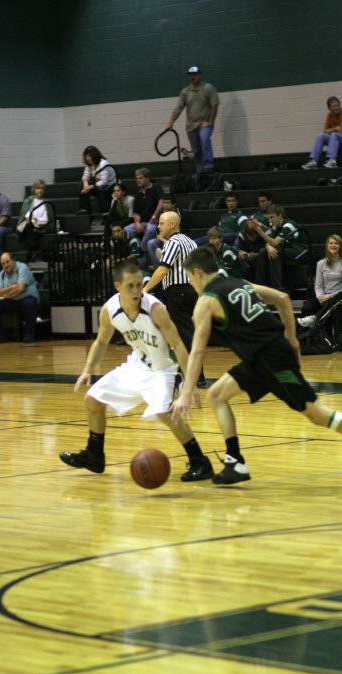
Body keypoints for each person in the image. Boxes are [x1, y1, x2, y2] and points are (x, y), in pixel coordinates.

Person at [170, 246, 342, 488]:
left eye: (189, 278)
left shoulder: (206, 301)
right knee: (217, 394)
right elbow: (282, 299)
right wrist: (292, 340)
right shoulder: (239, 282)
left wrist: (186, 393)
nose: (191, 284)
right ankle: (234, 461)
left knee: (317, 414)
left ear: (197, 273)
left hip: (270, 359)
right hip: (262, 357)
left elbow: (197, 350)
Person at [59, 260, 214, 482]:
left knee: (165, 412)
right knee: (92, 399)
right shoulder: (109, 309)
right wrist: (87, 369)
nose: (136, 291)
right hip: (136, 366)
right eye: (130, 286)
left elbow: (178, 345)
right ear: (117, 286)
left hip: (162, 370)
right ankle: (94, 455)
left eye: (140, 285)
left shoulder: (155, 309)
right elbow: (101, 342)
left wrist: (189, 386)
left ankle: (200, 461)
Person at [142, 211, 207, 388]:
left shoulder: (173, 242)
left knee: (182, 335)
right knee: (188, 333)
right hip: (193, 290)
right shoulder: (190, 242)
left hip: (178, 292)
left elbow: (163, 270)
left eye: (162, 223)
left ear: (172, 224)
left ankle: (194, 376)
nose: (159, 226)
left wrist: (145, 289)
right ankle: (189, 373)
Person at [166, 66, 220, 175]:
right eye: (190, 75)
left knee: (204, 139)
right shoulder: (185, 92)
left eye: (195, 74)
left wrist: (210, 121)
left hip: (204, 124)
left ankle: (208, 167)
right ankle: (200, 171)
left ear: (200, 75)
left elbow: (214, 105)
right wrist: (171, 121)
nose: (192, 77)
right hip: (191, 126)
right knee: (196, 150)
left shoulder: (208, 88)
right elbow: (179, 108)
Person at [0, 252, 40, 343]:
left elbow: (20, 288)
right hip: (12, 301)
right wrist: (11, 287)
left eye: (7, 262)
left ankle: (29, 335)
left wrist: (6, 294)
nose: (6, 265)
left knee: (29, 303)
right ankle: (0, 335)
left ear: (13, 260)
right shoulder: (1, 274)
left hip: (27, 297)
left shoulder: (22, 267)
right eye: (3, 264)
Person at [250, 204, 309, 291]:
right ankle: (259, 287)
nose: (270, 221)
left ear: (280, 215)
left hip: (301, 253)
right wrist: (267, 246)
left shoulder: (288, 225)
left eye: (272, 217)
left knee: (275, 251)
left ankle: (277, 288)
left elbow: (274, 242)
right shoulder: (276, 227)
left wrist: (258, 230)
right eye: (269, 218)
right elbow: (270, 242)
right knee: (263, 252)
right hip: (287, 252)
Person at [297, 234, 342, 328]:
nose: (333, 245)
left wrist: (330, 296)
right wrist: (320, 298)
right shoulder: (321, 263)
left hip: (340, 296)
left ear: (340, 246)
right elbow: (318, 285)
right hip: (324, 295)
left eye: (336, 243)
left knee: (333, 307)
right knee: (307, 308)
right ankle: (311, 336)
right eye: (331, 243)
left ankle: (316, 321)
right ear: (327, 246)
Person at [302, 96, 342, 170]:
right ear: (329, 108)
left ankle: (332, 160)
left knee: (334, 135)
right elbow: (325, 131)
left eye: (338, 105)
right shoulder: (330, 115)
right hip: (335, 140)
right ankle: (313, 161)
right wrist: (335, 129)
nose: (336, 107)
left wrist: (332, 131)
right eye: (334, 106)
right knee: (320, 136)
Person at [124, 168, 164, 252]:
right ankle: (139, 248)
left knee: (150, 229)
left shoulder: (155, 188)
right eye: (137, 178)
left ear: (147, 178)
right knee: (127, 229)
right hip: (142, 221)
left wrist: (153, 217)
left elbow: (161, 203)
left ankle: (142, 250)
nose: (138, 180)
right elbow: (136, 213)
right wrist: (137, 223)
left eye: (140, 178)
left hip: (155, 221)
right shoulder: (138, 194)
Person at [16, 179, 54, 261]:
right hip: (30, 225)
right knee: (30, 227)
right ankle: (36, 252)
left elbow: (46, 219)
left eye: (41, 188)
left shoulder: (46, 203)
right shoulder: (29, 201)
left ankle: (33, 252)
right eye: (37, 188)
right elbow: (26, 216)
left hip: (42, 226)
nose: (39, 190)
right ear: (34, 189)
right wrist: (33, 221)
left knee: (32, 229)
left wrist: (36, 220)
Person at [77, 145, 117, 215]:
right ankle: (85, 209)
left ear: (94, 155)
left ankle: (106, 215)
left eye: (89, 156)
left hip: (109, 186)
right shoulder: (89, 164)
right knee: (81, 185)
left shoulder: (103, 163)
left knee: (100, 191)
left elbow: (104, 182)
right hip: (98, 185)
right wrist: (86, 184)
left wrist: (90, 187)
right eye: (86, 156)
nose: (87, 158)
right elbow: (85, 175)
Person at [146, 193, 181, 267]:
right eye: (163, 202)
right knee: (151, 243)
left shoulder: (179, 214)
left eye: (168, 202)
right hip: (163, 240)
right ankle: (158, 267)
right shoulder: (161, 215)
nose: (165, 205)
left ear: (173, 204)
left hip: (177, 240)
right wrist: (161, 238)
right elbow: (158, 231)